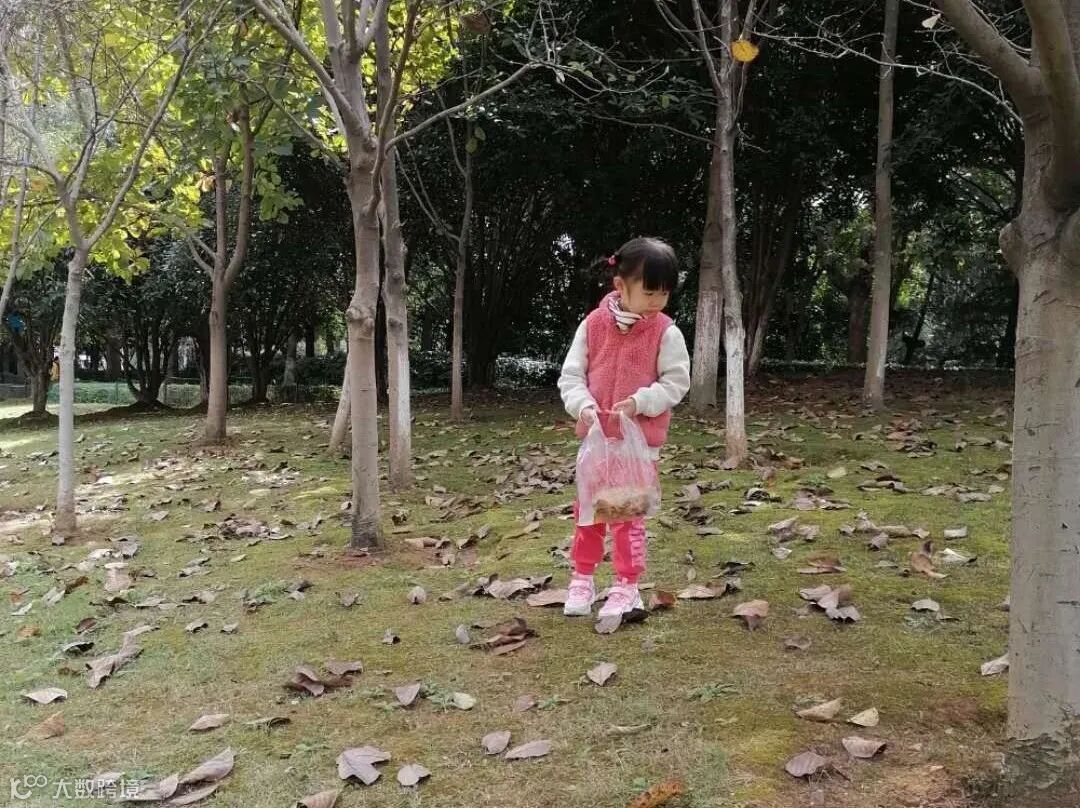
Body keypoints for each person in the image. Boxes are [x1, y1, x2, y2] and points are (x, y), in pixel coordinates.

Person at [557, 237, 691, 618]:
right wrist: (584, 408)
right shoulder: (592, 326)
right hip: (596, 441)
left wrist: (640, 402)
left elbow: (676, 382)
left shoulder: (665, 333)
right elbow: (571, 376)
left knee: (627, 514)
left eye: (664, 293)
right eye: (649, 292)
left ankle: (627, 585)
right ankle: (583, 577)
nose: (657, 301)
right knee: (588, 511)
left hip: (639, 445)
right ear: (620, 286)